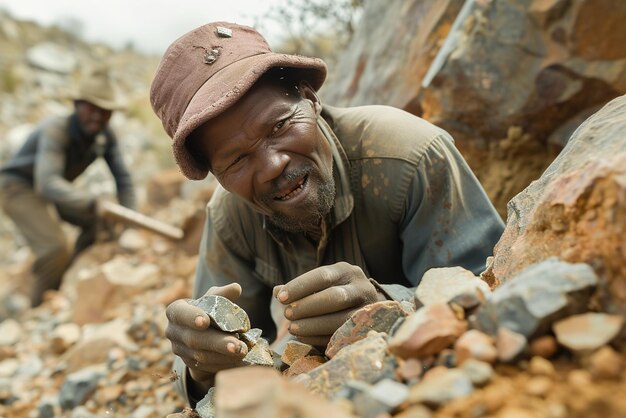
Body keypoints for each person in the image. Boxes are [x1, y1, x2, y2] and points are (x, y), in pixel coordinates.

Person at [150, 22, 504, 406]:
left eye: (281, 126)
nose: (272, 166)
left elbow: (494, 288)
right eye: (236, 160)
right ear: (217, 175)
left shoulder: (409, 156)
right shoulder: (229, 217)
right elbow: (216, 365)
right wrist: (201, 363)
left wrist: (388, 306)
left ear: (310, 99)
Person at [0, 65, 135, 307]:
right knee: (54, 247)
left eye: (105, 111)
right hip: (17, 188)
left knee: (99, 223)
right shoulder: (55, 130)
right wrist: (92, 202)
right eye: (92, 108)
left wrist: (129, 221)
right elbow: (47, 183)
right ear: (76, 105)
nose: (98, 116)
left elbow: (123, 179)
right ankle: (39, 307)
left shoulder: (104, 137)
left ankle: (65, 277)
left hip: (53, 189)